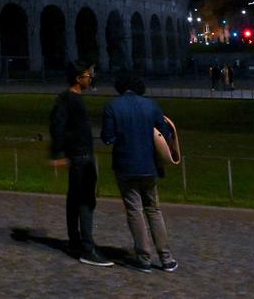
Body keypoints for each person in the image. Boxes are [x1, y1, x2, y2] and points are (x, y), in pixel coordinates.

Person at [101, 74, 178, 273]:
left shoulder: (112, 106)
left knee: (134, 210)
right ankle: (166, 257)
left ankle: (143, 257)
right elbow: (166, 133)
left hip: (125, 165)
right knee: (154, 209)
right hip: (148, 165)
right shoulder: (151, 105)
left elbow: (107, 137)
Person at [49, 62, 112, 267]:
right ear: (78, 79)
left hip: (81, 154)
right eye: (87, 75)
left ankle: (75, 241)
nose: (90, 78)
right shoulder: (67, 99)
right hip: (80, 156)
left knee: (75, 199)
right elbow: (57, 125)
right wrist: (57, 152)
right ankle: (87, 247)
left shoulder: (72, 99)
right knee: (85, 200)